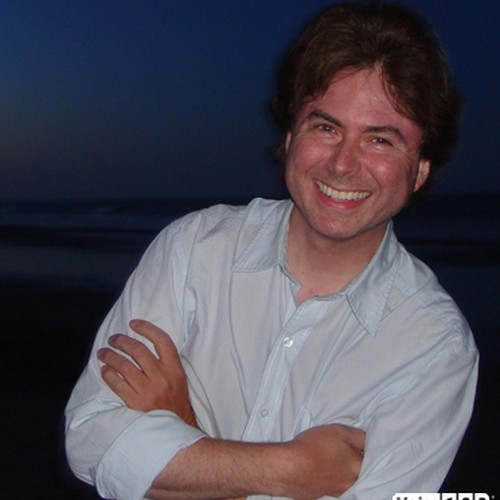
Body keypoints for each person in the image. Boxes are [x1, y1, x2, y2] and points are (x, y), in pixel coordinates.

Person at [65, 2, 478, 499]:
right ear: (290, 137)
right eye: (326, 128)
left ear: (420, 170)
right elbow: (90, 440)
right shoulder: (195, 250)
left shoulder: (434, 347)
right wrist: (292, 470)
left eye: (380, 141)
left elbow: (121, 455)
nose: (343, 164)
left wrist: (184, 428)